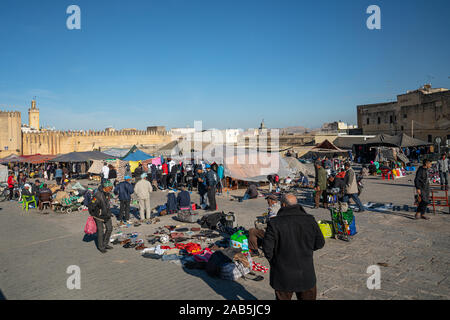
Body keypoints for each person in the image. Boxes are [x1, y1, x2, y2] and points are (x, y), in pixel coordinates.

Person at [263, 194, 325, 300]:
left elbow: (267, 249)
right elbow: (320, 243)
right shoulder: (310, 220)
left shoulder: (274, 223)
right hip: (306, 273)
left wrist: (276, 262)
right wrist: (306, 249)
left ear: (283, 204)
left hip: (283, 275)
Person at [91, 180, 114, 253]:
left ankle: (105, 244)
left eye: (111, 188)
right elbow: (91, 205)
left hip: (107, 215)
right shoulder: (97, 195)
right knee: (100, 232)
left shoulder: (108, 194)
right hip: (99, 216)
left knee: (109, 229)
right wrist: (95, 214)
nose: (111, 190)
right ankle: (101, 247)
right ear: (105, 187)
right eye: (110, 188)